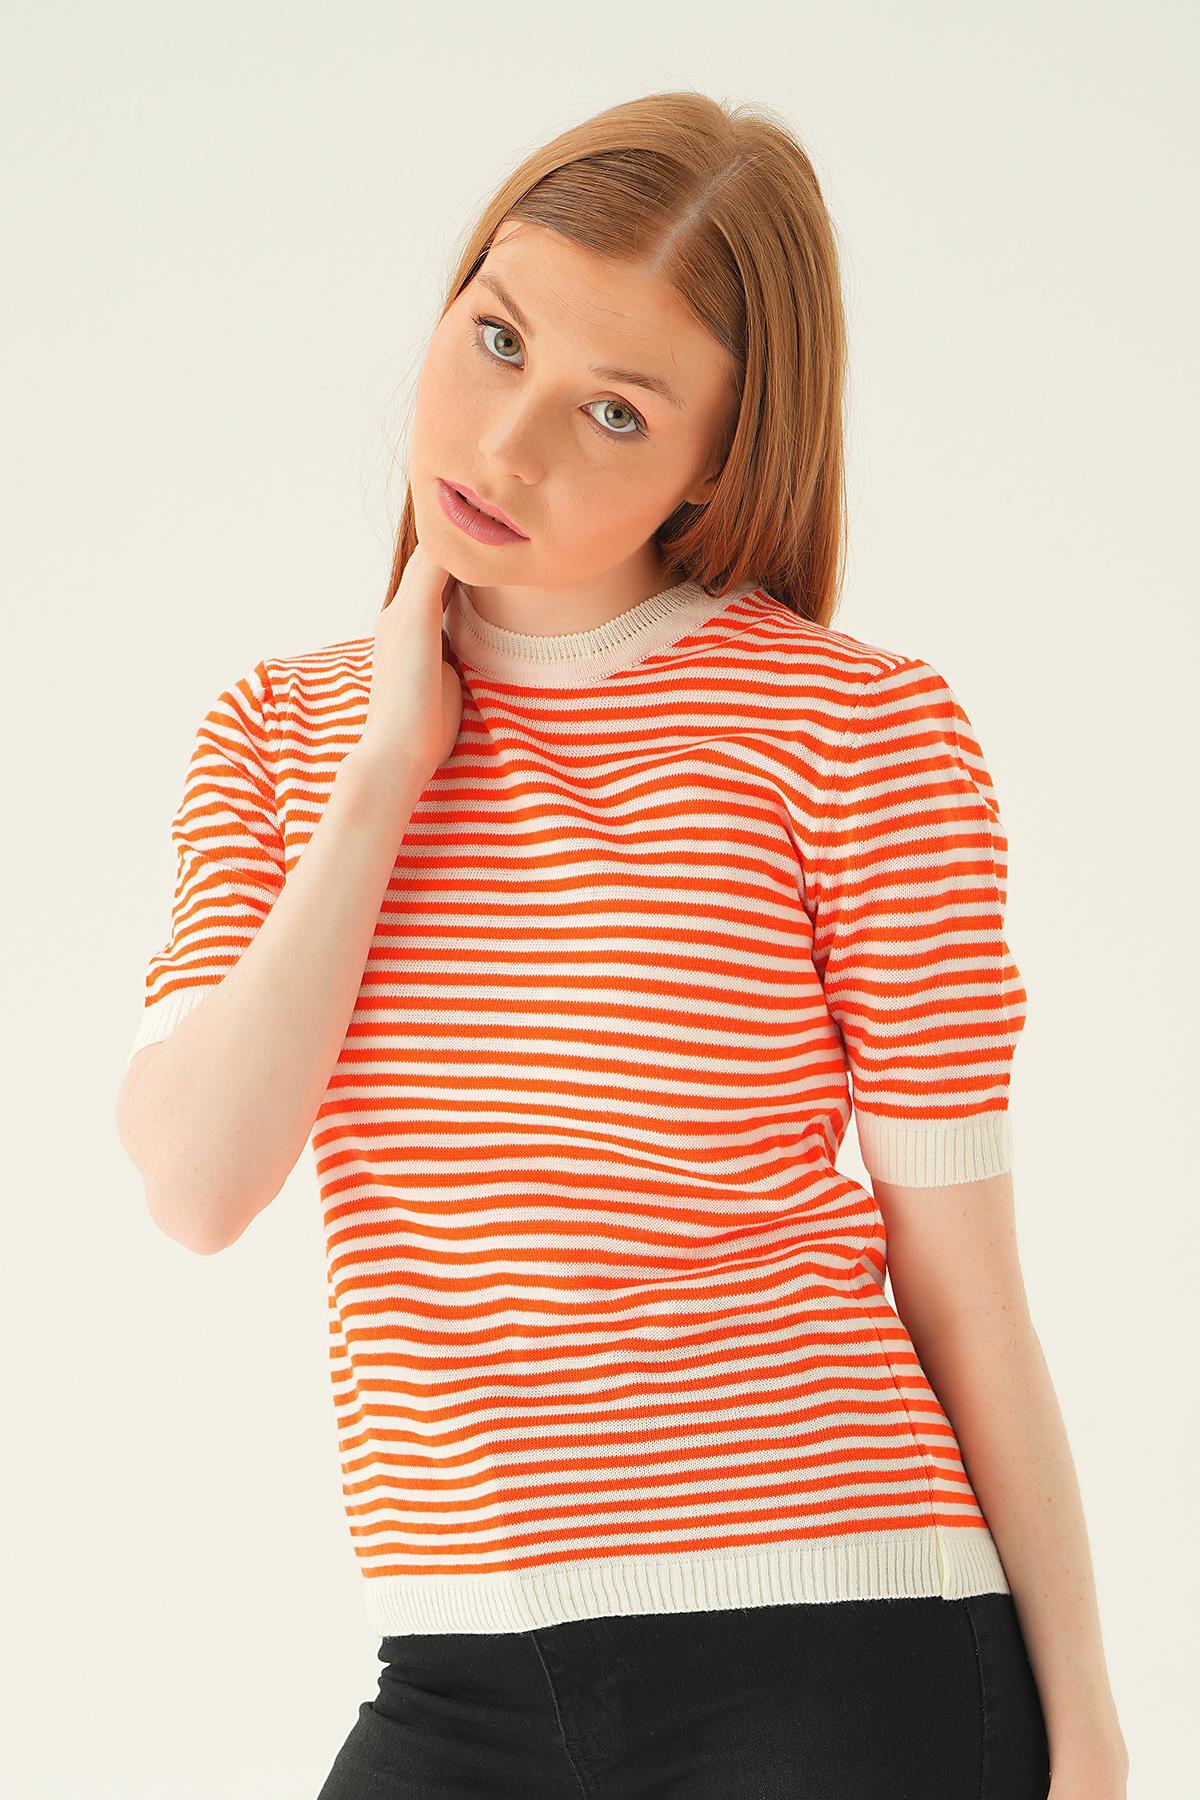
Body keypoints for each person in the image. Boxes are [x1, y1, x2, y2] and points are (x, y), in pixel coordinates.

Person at [115, 91, 1129, 1800]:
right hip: (458, 1676)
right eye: (498, 338)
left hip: (838, 1646)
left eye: (613, 410)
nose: (508, 445)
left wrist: (1086, 1730)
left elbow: (967, 1286)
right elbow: (199, 1183)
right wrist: (387, 768)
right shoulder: (281, 735)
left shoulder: (853, 733)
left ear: (716, 462)